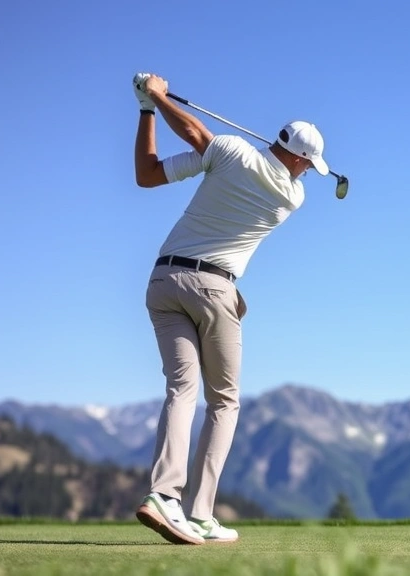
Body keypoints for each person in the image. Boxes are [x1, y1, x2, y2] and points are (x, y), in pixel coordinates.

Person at [129, 72, 329, 545]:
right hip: (213, 289)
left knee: (181, 388)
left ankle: (163, 495)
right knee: (223, 400)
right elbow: (199, 135)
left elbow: (147, 175)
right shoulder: (290, 194)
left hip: (163, 282)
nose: (307, 174)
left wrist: (148, 107)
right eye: (308, 165)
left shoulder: (230, 153)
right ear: (300, 160)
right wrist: (157, 99)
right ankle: (197, 512)